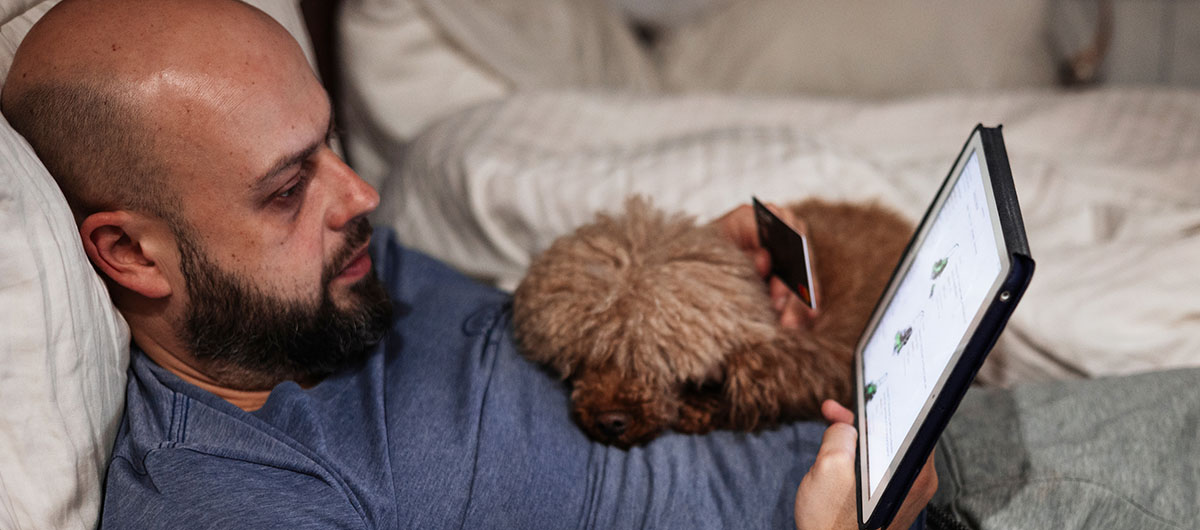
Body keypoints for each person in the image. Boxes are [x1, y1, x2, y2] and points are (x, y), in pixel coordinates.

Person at [8, 1, 1199, 529]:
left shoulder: (334, 292)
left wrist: (702, 280)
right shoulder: (240, 496)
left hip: (901, 433)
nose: (359, 192)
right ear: (129, 252)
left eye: (333, 141)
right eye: (289, 184)